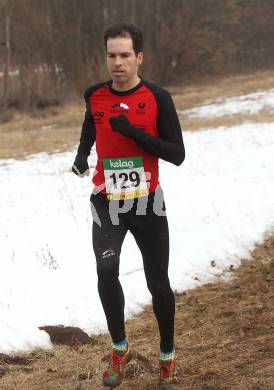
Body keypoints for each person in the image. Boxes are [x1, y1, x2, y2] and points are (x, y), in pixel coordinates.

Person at [72, 22, 185, 389]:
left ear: (139, 57)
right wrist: (82, 155)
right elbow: (92, 124)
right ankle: (119, 349)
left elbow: (177, 154)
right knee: (106, 271)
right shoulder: (95, 95)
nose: (117, 63)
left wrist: (133, 133)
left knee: (158, 283)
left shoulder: (157, 97)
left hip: (147, 204)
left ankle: (166, 357)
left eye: (124, 55)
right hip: (106, 201)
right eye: (111, 55)